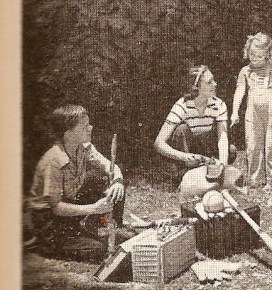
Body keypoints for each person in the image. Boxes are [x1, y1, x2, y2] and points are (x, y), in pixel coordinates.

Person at [28, 104, 131, 260]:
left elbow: (110, 166)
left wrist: (117, 181)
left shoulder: (84, 147)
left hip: (69, 202)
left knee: (108, 181)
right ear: (69, 134)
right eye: (84, 126)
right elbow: (56, 207)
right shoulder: (54, 160)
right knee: (97, 250)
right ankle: (47, 245)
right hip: (48, 220)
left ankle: (107, 226)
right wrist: (93, 208)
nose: (90, 127)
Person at [154, 65, 240, 204]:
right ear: (196, 88)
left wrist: (222, 165)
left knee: (231, 150)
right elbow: (159, 143)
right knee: (181, 129)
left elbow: (222, 137)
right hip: (187, 151)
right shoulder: (182, 105)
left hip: (206, 149)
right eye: (209, 82)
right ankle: (187, 175)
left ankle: (211, 174)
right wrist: (184, 156)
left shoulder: (219, 104)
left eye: (213, 80)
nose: (215, 84)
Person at [230, 33, 272, 189]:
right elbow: (240, 91)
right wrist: (235, 111)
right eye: (251, 54)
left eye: (259, 56)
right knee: (253, 142)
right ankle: (255, 179)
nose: (254, 58)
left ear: (267, 54)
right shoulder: (245, 71)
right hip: (253, 108)